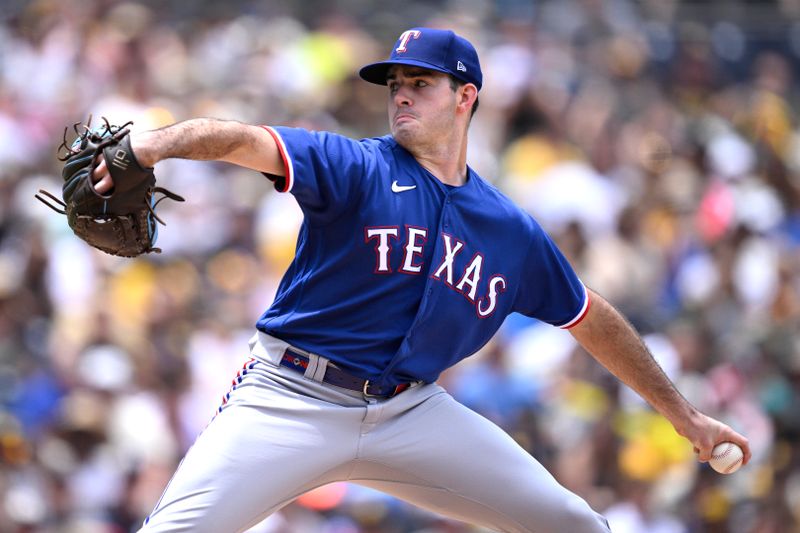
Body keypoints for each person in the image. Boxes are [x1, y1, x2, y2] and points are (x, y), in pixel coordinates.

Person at [91, 28, 750, 533]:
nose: (400, 92)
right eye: (394, 82)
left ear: (466, 97)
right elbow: (238, 138)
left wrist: (684, 415)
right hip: (291, 394)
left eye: (421, 82)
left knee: (575, 523)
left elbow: (591, 318)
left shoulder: (508, 229)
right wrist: (152, 146)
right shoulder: (352, 165)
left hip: (410, 411)